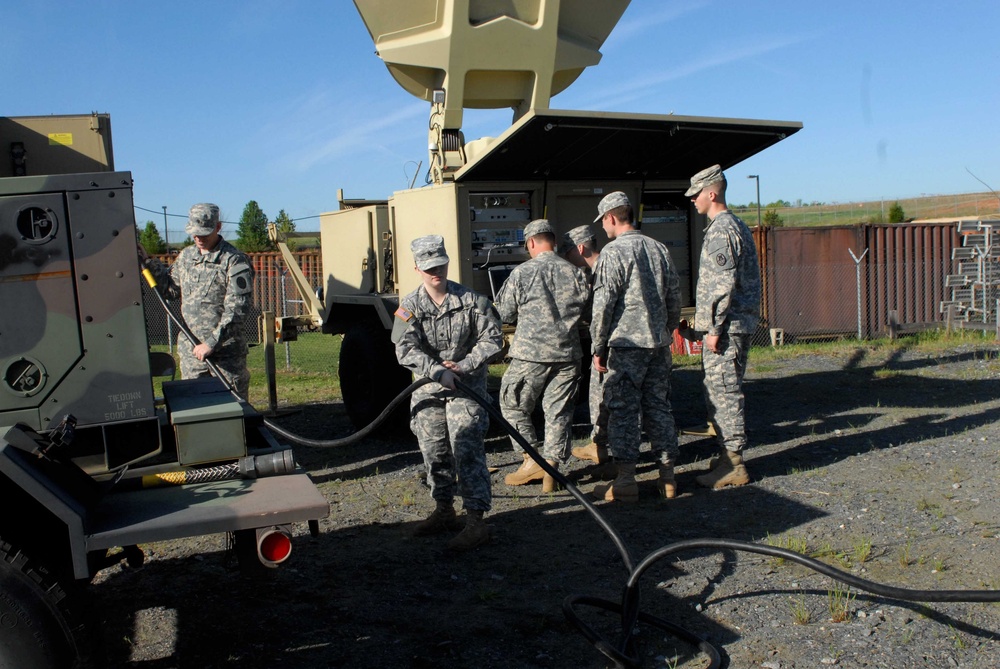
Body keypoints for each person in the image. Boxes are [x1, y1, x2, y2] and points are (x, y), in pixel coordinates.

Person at [393, 234, 502, 551]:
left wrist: (466, 364)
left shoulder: (473, 301)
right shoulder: (408, 307)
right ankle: (443, 510)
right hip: (428, 390)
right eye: (428, 268)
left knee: (466, 448)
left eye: (439, 264)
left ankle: (476, 522)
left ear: (447, 262)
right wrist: (435, 370)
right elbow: (403, 348)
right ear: (417, 268)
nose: (435, 272)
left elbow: (493, 340)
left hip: (466, 392)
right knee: (433, 450)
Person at [590, 192, 682, 502]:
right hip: (658, 343)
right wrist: (668, 327)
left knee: (624, 411)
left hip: (627, 345)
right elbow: (674, 295)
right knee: (659, 406)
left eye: (603, 222)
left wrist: (598, 346)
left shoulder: (612, 253)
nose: (604, 228)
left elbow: (603, 304)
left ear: (611, 218)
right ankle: (668, 477)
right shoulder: (658, 249)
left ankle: (626, 480)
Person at [679, 165, 761, 489]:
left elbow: (721, 285)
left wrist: (712, 329)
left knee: (724, 393)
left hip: (726, 330)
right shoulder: (735, 225)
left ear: (711, 193)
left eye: (696, 194)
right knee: (723, 390)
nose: (693, 201)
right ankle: (727, 456)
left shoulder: (721, 230)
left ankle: (734, 464)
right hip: (731, 325)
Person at [497, 220, 590, 492]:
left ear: (531, 243)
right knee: (559, 411)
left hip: (531, 355)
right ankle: (552, 469)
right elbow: (589, 313)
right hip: (568, 355)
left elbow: (505, 313)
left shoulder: (522, 273)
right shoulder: (576, 273)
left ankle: (531, 460)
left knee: (512, 405)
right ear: (554, 241)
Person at [139, 203, 254, 399]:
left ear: (218, 227)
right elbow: (170, 290)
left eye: (204, 233)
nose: (198, 238)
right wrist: (148, 261)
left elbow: (238, 308)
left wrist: (211, 343)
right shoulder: (186, 257)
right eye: (194, 233)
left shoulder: (234, 260)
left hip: (225, 356)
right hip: (192, 353)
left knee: (232, 413)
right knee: (195, 411)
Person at [559, 225, 610, 465]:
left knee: (601, 396)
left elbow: (599, 314)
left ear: (580, 248)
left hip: (607, 344)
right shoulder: (596, 271)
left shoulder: (601, 271)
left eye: (568, 252)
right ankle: (599, 444)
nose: (566, 258)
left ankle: (603, 450)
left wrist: (598, 349)